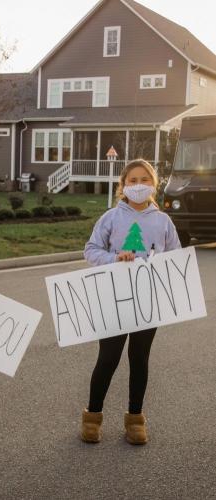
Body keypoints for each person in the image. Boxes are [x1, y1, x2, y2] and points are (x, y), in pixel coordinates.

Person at [81, 159, 181, 445]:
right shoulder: (111, 217)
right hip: (114, 300)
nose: (139, 185)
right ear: (123, 185)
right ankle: (92, 417)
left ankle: (135, 419)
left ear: (154, 184)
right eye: (133, 180)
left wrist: (157, 262)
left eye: (144, 179)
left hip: (148, 302)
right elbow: (91, 250)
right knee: (108, 359)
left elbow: (176, 256)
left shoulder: (163, 221)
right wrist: (115, 258)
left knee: (139, 360)